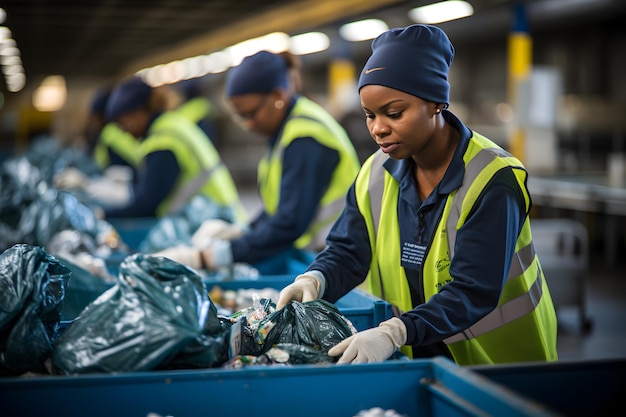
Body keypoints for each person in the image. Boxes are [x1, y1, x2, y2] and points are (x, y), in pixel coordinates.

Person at [275, 24, 558, 366]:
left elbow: (473, 290)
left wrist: (395, 332)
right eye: (370, 115)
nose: (378, 128)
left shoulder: (491, 179)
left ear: (436, 103)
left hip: (504, 368)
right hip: (419, 360)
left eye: (394, 113)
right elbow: (349, 250)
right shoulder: (375, 173)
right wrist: (316, 278)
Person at [157, 50, 360, 274]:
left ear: (278, 96)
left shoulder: (306, 137)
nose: (249, 124)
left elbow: (289, 222)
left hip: (342, 262)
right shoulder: (286, 131)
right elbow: (279, 207)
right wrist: (243, 231)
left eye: (252, 113)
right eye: (241, 116)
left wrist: (215, 255)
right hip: (319, 255)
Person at [102, 76, 247, 222]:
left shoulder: (163, 142)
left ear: (138, 114)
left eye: (122, 123)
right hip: (219, 216)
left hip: (215, 223)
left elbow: (148, 205)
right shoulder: (170, 124)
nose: (123, 131)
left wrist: (102, 215)